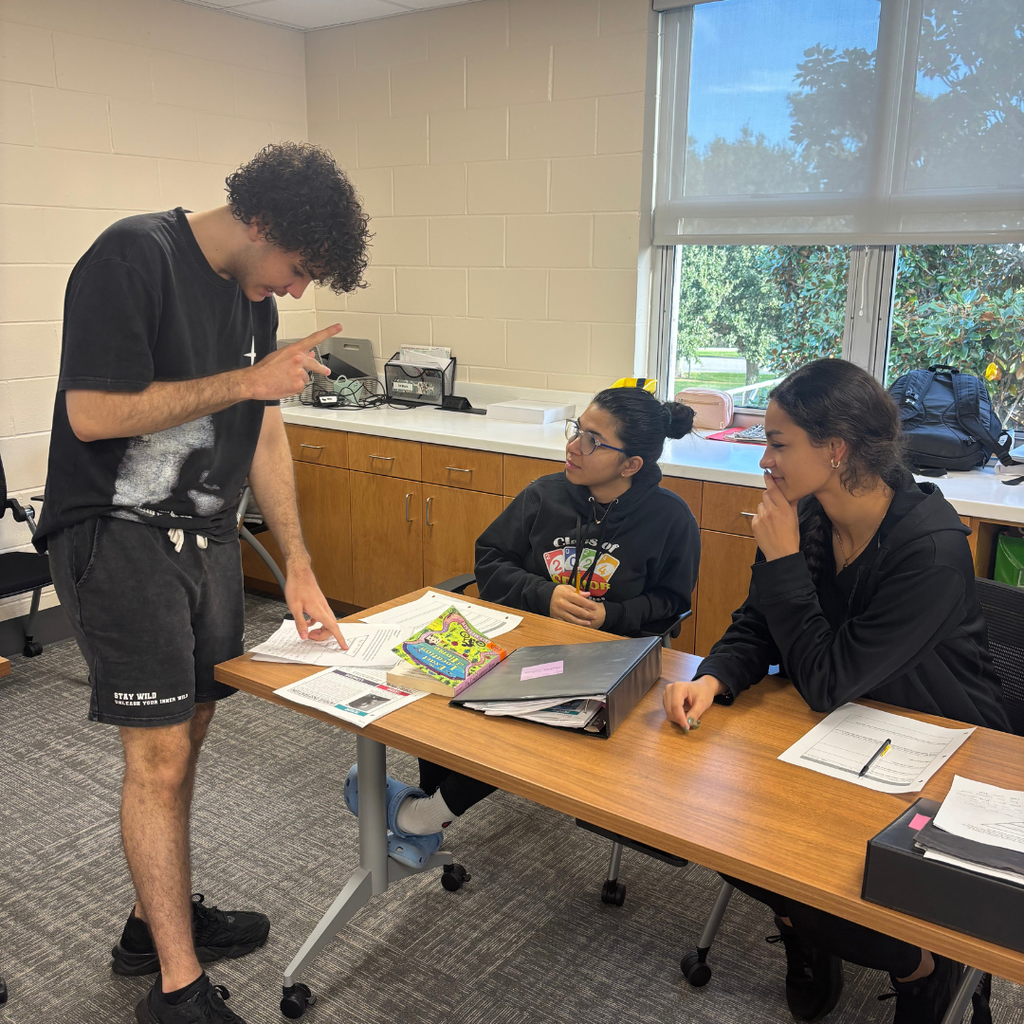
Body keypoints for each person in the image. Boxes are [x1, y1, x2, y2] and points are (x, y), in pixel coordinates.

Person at [35, 142, 370, 1024]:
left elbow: (261, 429)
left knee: (190, 736)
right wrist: (252, 378)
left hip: (207, 538)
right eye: (298, 270)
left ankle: (156, 922)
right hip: (117, 530)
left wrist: (295, 560)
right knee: (158, 754)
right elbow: (92, 413)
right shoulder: (132, 255)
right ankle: (176, 991)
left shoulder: (249, 296)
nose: (298, 291)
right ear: (262, 224)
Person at [662, 359, 1010, 1024]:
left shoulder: (929, 547)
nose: (765, 459)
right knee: (727, 836)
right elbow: (759, 625)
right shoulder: (810, 514)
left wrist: (786, 558)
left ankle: (921, 967)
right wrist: (714, 675)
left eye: (778, 443)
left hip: (937, 741)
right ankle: (804, 931)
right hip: (836, 728)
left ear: (837, 448)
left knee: (851, 875)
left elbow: (826, 679)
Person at [349, 385, 700, 849]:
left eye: (593, 440)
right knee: (436, 690)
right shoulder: (545, 495)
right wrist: (543, 593)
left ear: (631, 464)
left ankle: (425, 816)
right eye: (578, 430)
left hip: (609, 656)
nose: (573, 446)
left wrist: (613, 614)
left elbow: (673, 601)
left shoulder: (670, 518)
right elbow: (490, 559)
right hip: (528, 642)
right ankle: (433, 804)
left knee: (512, 711)